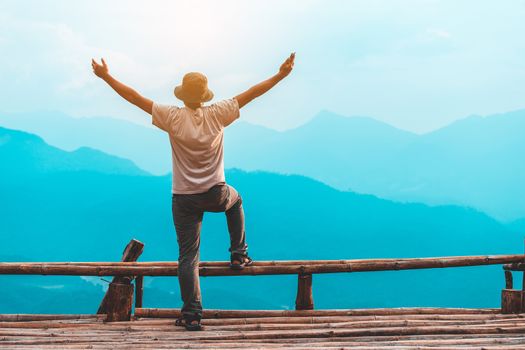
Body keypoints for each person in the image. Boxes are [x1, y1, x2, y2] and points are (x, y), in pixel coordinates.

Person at [91, 53, 295, 331]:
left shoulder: (172, 117)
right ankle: (239, 253)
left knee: (188, 257)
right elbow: (252, 93)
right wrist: (281, 75)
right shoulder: (218, 113)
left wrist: (106, 77)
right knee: (236, 200)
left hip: (183, 198)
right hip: (215, 193)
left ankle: (191, 314)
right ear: (204, 95)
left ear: (183, 95)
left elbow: (135, 98)